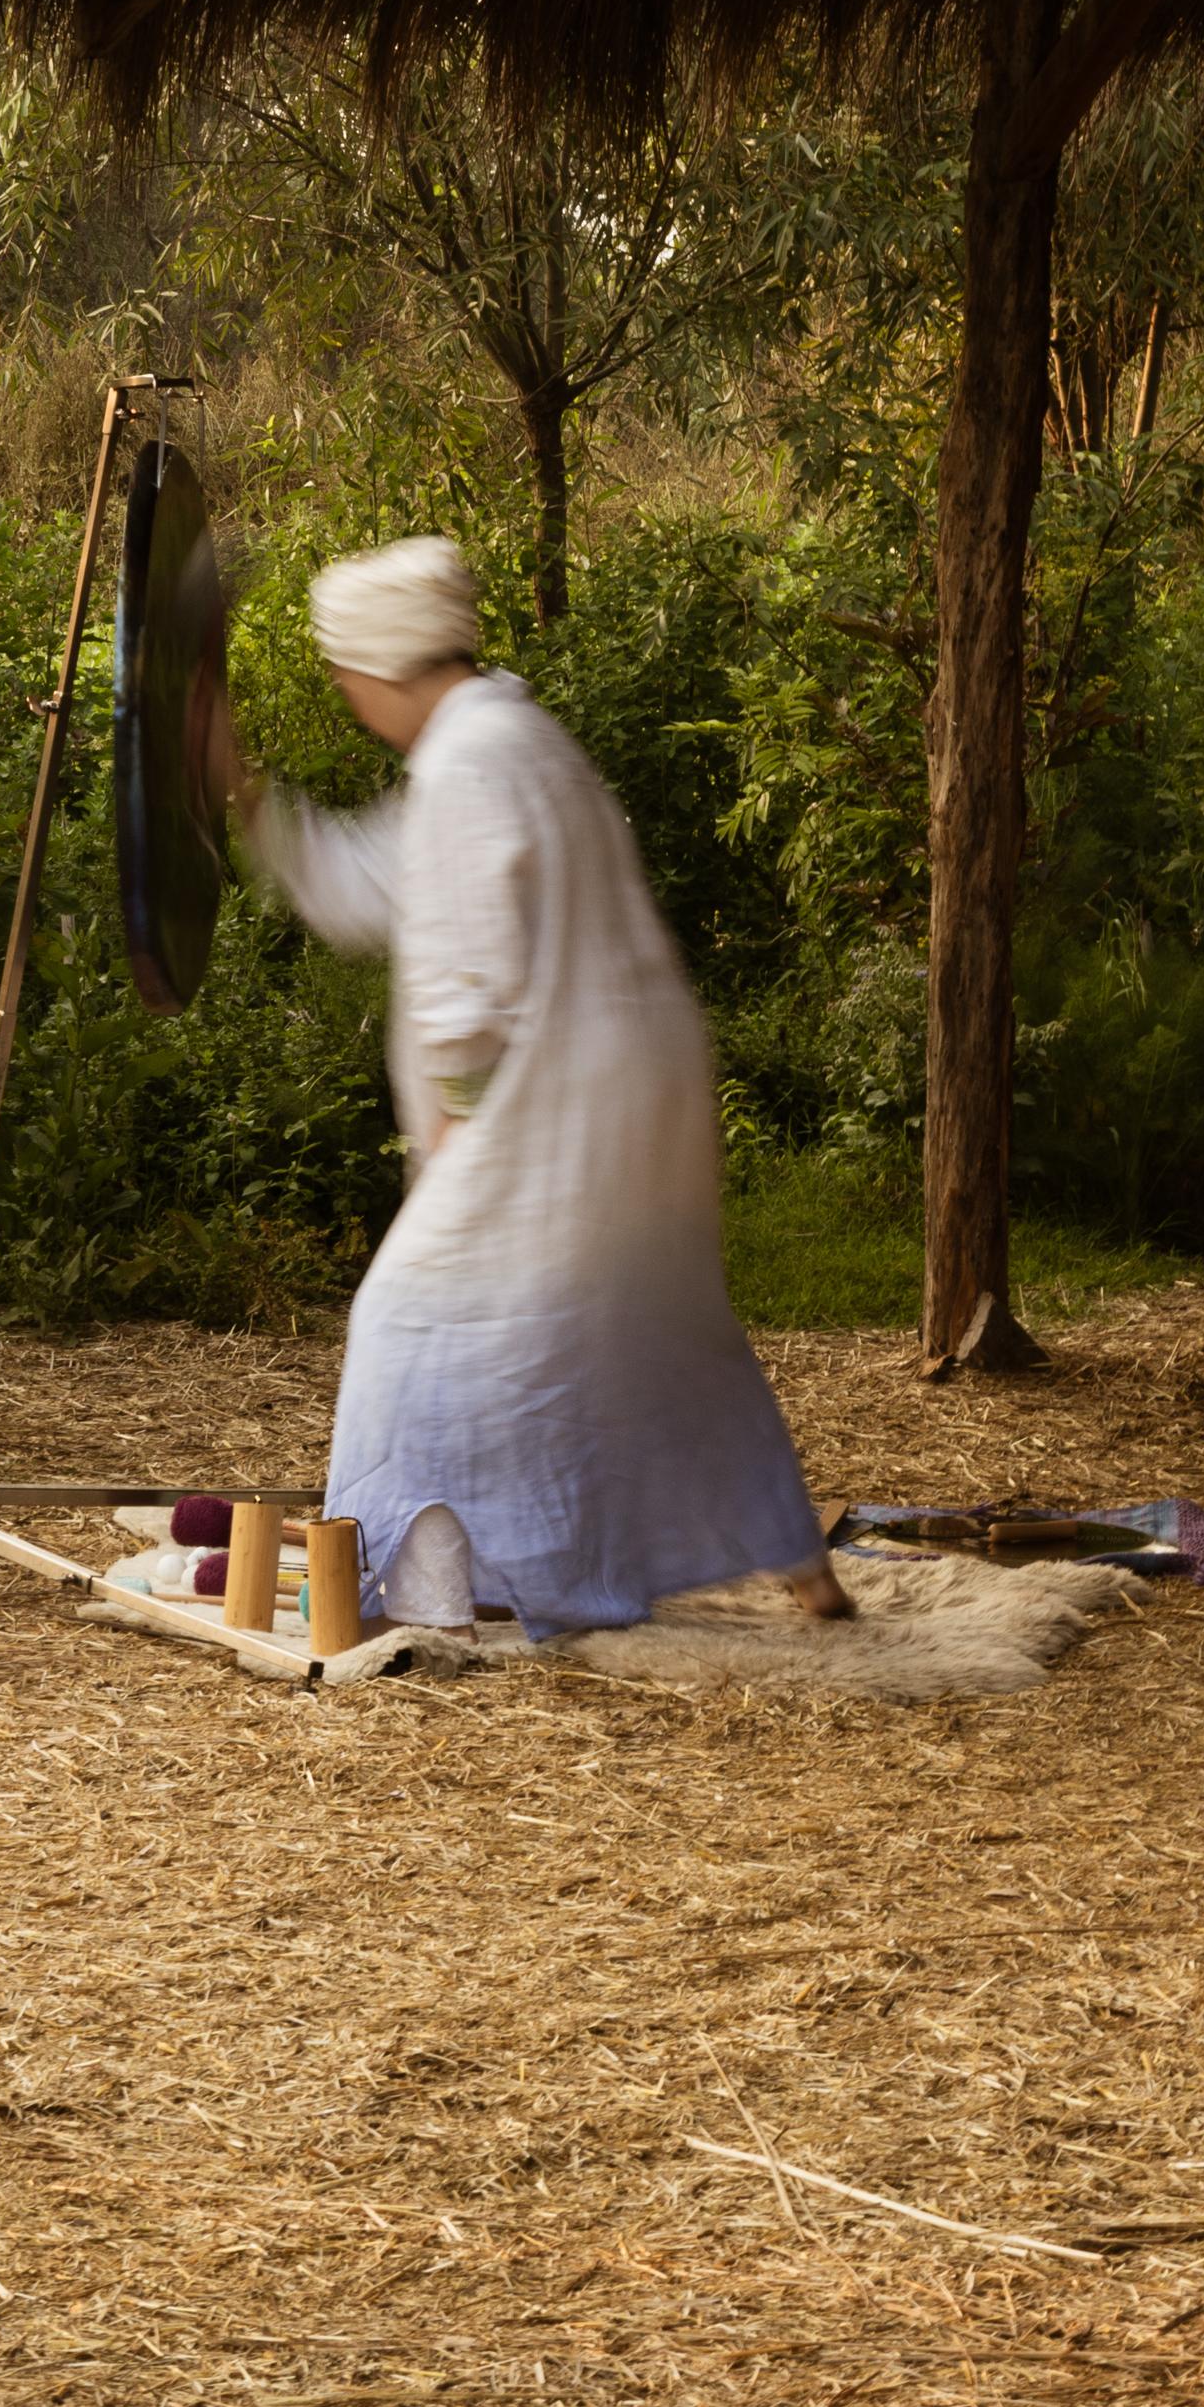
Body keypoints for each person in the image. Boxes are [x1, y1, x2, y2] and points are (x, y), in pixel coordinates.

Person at [219, 532, 852, 1639]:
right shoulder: (511, 736)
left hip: (558, 1105)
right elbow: (363, 881)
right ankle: (805, 1569)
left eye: (342, 674)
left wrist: (462, 1132)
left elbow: (470, 980)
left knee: (410, 1320)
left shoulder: (472, 759)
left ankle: (432, 1595)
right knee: (654, 1323)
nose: (345, 693)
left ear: (377, 665)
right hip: (635, 1087)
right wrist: (238, 791)